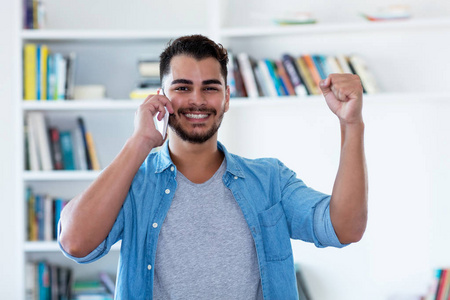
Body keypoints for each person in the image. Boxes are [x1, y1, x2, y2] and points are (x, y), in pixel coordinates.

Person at [58, 35, 368, 300]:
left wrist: (351, 124)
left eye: (209, 87)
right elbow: (75, 243)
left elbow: (345, 228)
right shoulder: (134, 183)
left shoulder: (270, 180)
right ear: (161, 98)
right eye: (182, 87)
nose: (197, 100)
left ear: (227, 97)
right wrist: (140, 141)